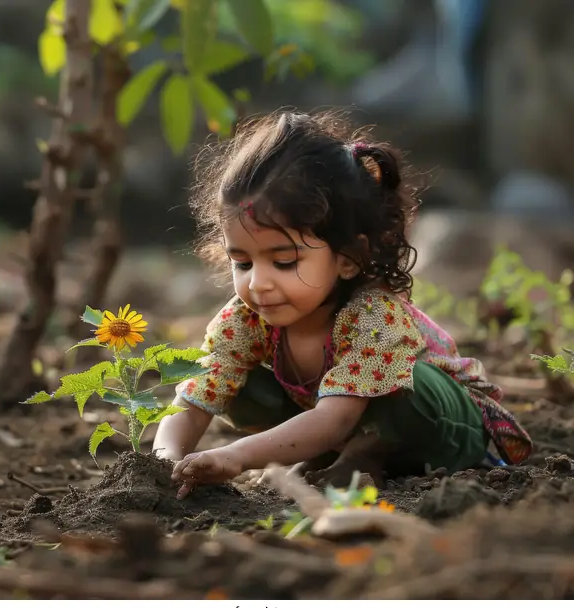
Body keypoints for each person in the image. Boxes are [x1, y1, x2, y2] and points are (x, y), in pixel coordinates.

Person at [152, 109, 532, 499]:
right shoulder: (246, 319)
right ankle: (330, 457)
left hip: (443, 431)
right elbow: (195, 397)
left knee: (407, 385)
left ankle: (365, 457)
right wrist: (164, 463)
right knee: (236, 383)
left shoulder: (373, 316)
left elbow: (334, 420)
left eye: (284, 262)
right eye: (243, 262)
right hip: (332, 427)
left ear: (348, 257)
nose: (258, 283)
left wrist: (236, 455)